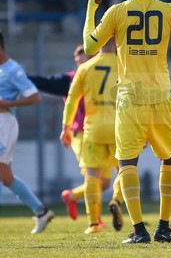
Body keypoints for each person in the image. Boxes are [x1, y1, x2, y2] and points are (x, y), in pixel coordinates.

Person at [83, 0, 171, 243]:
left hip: (130, 98)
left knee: (127, 159)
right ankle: (164, 227)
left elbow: (89, 47)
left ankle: (139, 231)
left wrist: (91, 11)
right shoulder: (169, 10)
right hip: (161, 95)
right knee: (170, 156)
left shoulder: (116, 11)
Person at [29, 45, 123, 231]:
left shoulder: (85, 72)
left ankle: (77, 202)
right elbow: (46, 83)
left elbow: (71, 100)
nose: (80, 62)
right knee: (110, 173)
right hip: (82, 134)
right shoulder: (117, 66)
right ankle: (105, 211)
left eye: (83, 58)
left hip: (92, 130)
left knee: (101, 182)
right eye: (78, 60)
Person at [60, 39, 122, 234]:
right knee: (124, 170)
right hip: (119, 129)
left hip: (93, 129)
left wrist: (66, 128)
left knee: (92, 177)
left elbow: (71, 100)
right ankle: (117, 200)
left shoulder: (85, 68)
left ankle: (93, 224)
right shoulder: (125, 65)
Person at [0, 29, 54, 234]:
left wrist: (7, 102)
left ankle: (41, 211)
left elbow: (34, 96)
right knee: (6, 176)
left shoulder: (13, 70)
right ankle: (41, 211)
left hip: (5, 124)